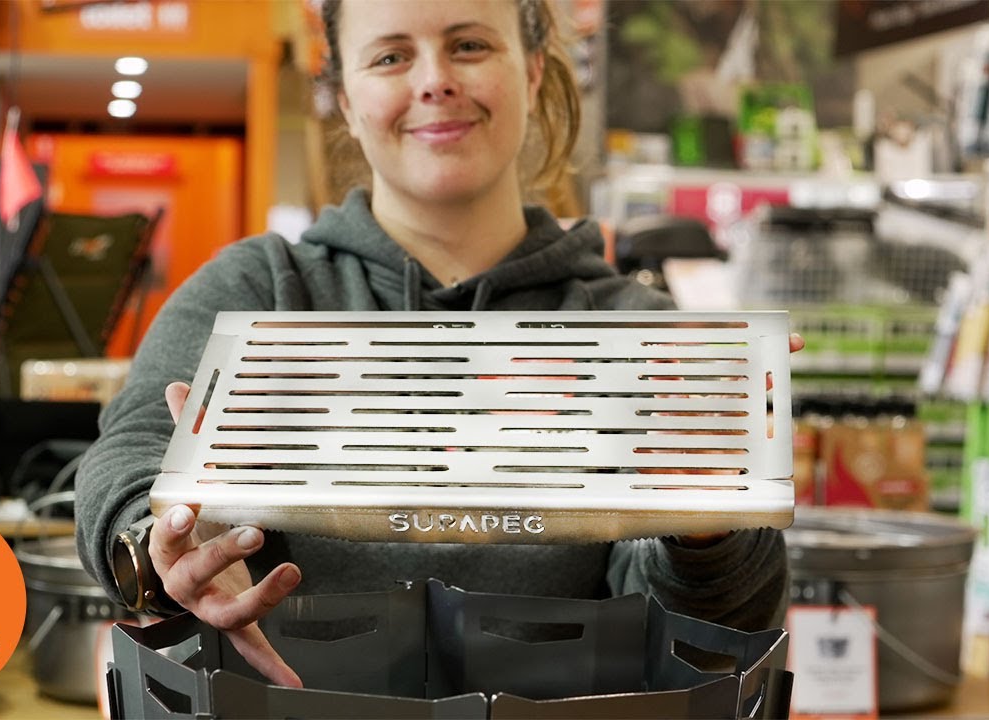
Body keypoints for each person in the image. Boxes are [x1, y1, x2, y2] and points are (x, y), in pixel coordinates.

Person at [75, 0, 801, 689]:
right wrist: (161, 538)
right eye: (391, 56)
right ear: (346, 98)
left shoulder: (636, 333)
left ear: (534, 71)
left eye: (469, 45)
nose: (434, 81)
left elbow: (715, 634)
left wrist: (709, 535)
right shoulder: (257, 290)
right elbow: (133, 448)